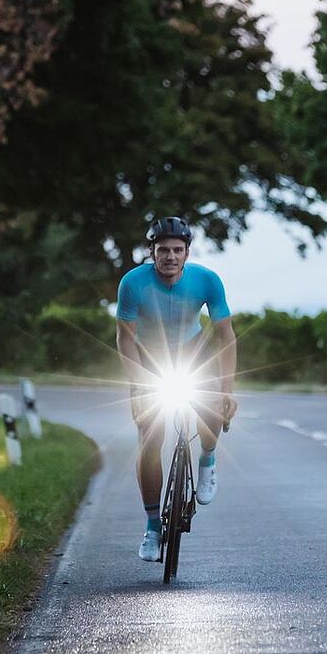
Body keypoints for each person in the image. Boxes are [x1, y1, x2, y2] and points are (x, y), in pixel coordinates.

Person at [115, 216, 238, 562]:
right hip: (150, 361)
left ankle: (208, 459)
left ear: (187, 253)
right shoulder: (132, 283)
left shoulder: (207, 280)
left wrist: (227, 389)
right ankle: (153, 528)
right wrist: (137, 383)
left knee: (212, 402)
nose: (170, 256)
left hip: (194, 354)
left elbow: (225, 336)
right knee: (149, 438)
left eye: (177, 250)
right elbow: (125, 337)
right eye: (163, 250)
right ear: (151, 252)